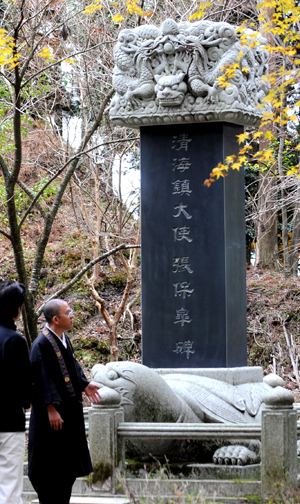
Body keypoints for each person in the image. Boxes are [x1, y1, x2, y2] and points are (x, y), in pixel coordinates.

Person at [28, 299, 101, 504]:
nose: (72, 315)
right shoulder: (40, 344)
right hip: (51, 420)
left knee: (66, 470)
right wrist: (50, 408)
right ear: (55, 319)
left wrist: (84, 385)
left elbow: (72, 367)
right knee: (50, 471)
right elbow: (39, 379)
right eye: (68, 312)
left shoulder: (63, 339)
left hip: (68, 416)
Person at [0, 280, 31, 504]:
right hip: (8, 421)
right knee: (9, 485)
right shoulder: (14, 341)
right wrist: (27, 402)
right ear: (17, 309)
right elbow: (23, 383)